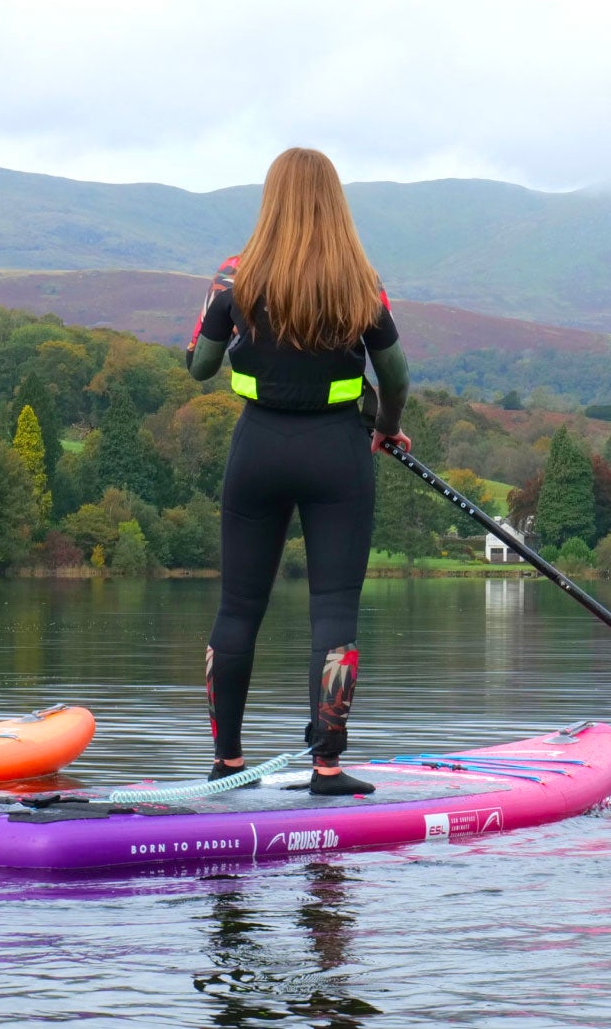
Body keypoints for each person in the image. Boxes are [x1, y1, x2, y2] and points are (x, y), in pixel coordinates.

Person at [182, 147, 411, 796]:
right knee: (333, 610)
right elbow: (396, 376)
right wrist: (386, 427)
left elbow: (199, 367)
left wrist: (222, 324)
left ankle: (227, 764)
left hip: (256, 449)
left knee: (237, 607)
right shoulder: (359, 280)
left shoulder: (234, 276)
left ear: (271, 198)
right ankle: (327, 767)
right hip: (337, 452)